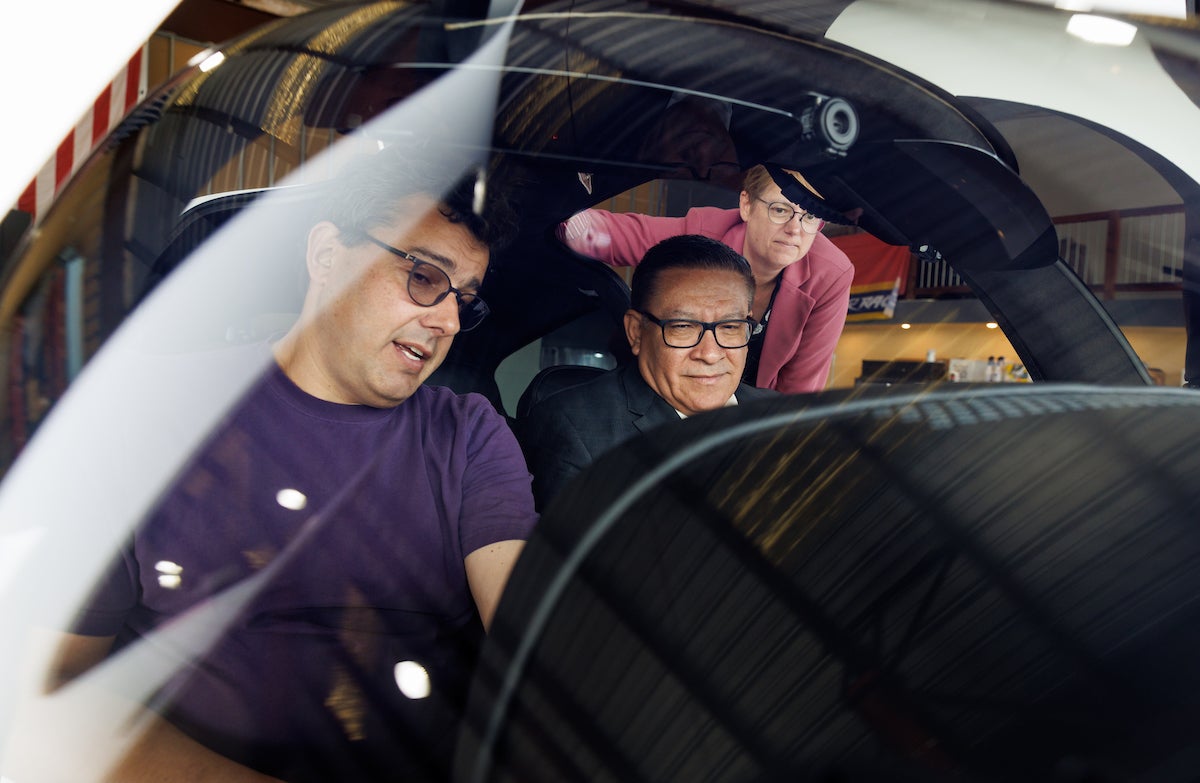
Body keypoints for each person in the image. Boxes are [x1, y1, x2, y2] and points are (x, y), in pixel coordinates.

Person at [37, 150, 538, 783]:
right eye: (422, 276)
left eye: (465, 298)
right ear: (327, 255)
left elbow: (533, 641)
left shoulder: (467, 436)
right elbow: (53, 685)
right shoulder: (148, 414)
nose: (448, 319)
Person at [518, 234, 775, 511]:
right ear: (636, 332)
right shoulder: (576, 430)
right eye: (682, 327)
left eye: (730, 327)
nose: (711, 354)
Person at [558, 163, 854, 394]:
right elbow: (607, 235)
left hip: (752, 407)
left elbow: (799, 387)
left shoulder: (831, 274)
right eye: (780, 209)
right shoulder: (705, 235)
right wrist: (548, 215)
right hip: (671, 389)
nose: (795, 229)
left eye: (810, 217)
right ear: (746, 205)